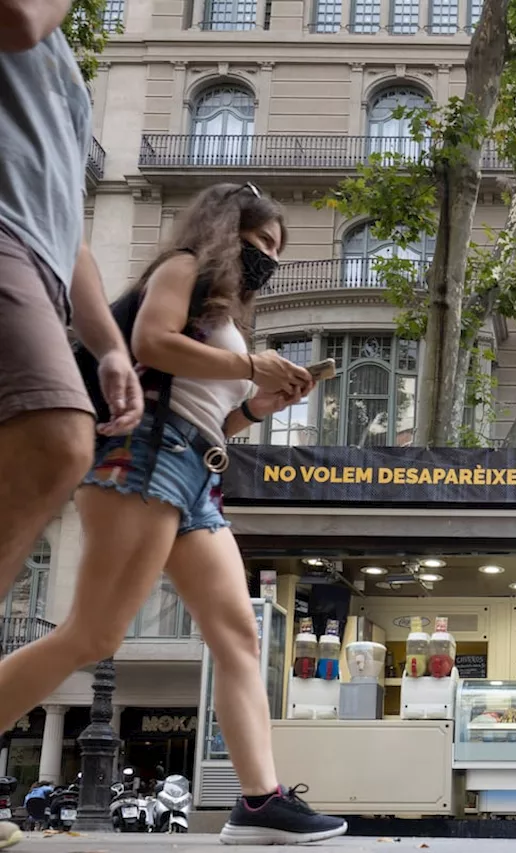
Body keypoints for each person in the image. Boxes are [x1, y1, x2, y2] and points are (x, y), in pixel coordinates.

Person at [0, 183, 348, 846]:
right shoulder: (183, 267)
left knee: (239, 635)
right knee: (92, 636)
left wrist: (255, 407)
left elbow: (214, 414)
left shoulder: (224, 319)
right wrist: (250, 363)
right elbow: (151, 342)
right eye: (262, 244)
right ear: (229, 228)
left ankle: (259, 801)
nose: (268, 260)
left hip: (195, 474)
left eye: (277, 250)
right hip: (146, 457)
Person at [1, 2, 149, 846]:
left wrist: (108, 345)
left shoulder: (67, 73)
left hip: (38, 257)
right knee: (56, 436)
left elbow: (72, 226)